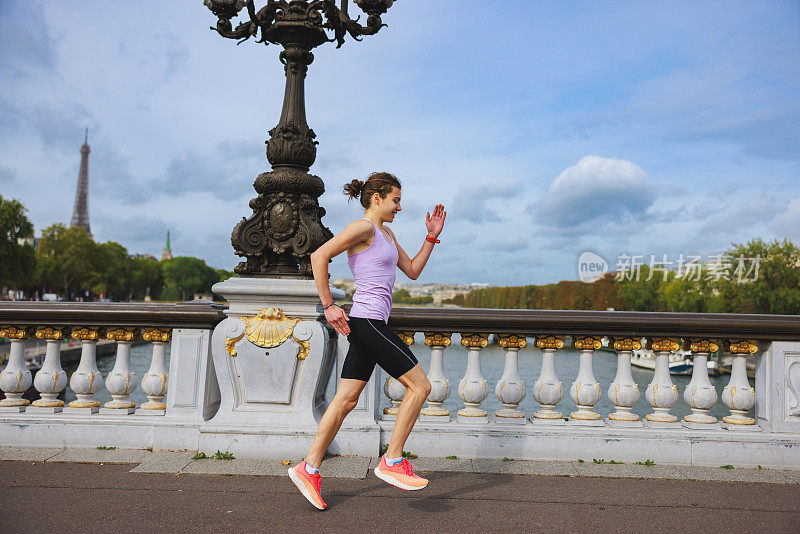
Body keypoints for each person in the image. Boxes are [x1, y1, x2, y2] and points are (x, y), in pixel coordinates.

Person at [288, 171, 446, 510]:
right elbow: (319, 256)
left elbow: (413, 271)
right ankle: (391, 461)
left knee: (345, 400)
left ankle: (309, 468)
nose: (399, 207)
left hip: (369, 324)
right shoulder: (363, 228)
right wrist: (328, 305)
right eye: (396, 200)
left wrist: (430, 238)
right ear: (377, 198)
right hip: (368, 322)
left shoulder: (385, 232)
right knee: (420, 387)